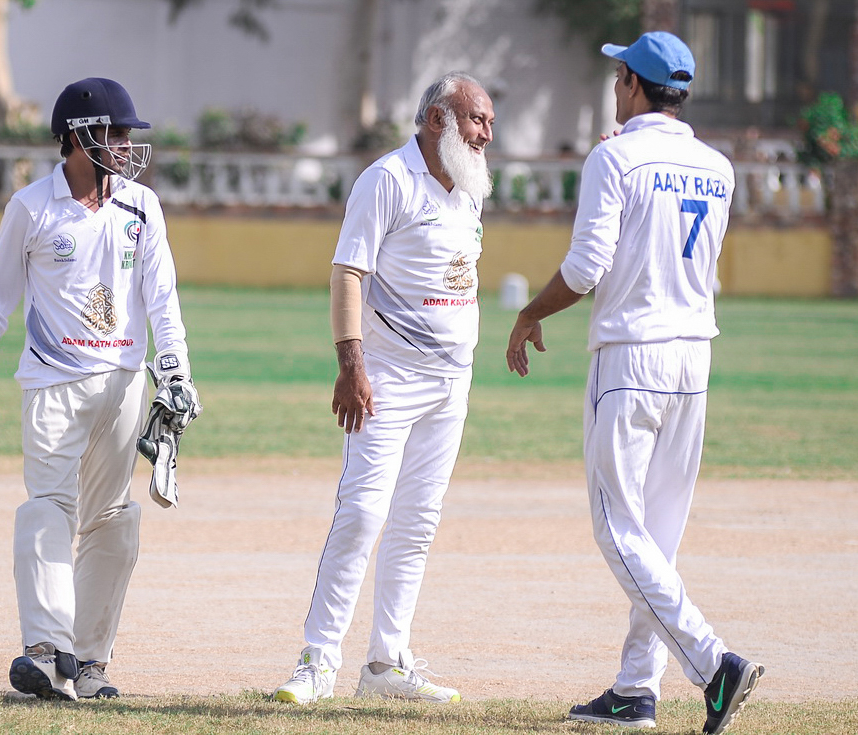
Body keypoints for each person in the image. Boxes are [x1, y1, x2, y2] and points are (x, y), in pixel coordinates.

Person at [505, 32, 763, 735]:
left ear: (630, 84)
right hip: (694, 359)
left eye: (618, 74)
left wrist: (529, 313)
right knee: (656, 538)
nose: (614, 84)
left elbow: (587, 268)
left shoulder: (614, 156)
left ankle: (714, 664)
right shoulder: (718, 167)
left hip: (631, 358)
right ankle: (635, 691)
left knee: (618, 530)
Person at [0, 77, 199, 701]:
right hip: (52, 382)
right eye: (114, 133)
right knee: (47, 508)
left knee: (112, 520)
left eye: (127, 135)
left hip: (123, 385)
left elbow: (162, 297)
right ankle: (44, 651)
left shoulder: (142, 206)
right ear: (78, 137)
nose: (125, 146)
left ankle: (89, 664)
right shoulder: (31, 207)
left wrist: (175, 370)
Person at [272, 72, 495, 704]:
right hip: (387, 379)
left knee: (418, 520)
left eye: (489, 123)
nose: (485, 134)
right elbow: (348, 272)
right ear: (438, 119)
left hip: (451, 383)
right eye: (476, 120)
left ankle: (386, 663)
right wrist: (352, 365)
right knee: (363, 512)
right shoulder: (388, 180)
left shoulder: (468, 190)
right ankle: (317, 662)